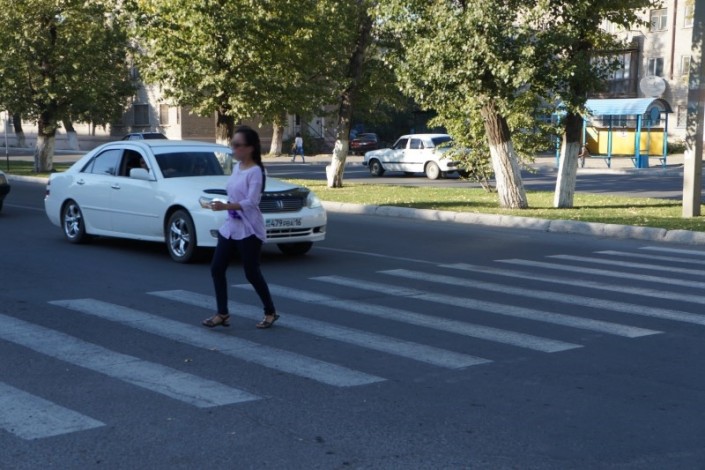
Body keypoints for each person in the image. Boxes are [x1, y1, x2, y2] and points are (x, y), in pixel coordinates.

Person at [202, 125, 278, 329]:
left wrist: (225, 206)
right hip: (231, 226)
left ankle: (270, 311)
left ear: (250, 148)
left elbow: (251, 202)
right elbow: (233, 193)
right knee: (217, 268)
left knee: (251, 273)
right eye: (232, 144)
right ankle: (222, 313)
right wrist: (219, 204)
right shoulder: (237, 167)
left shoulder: (256, 171)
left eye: (238, 145)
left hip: (249, 228)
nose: (234, 148)